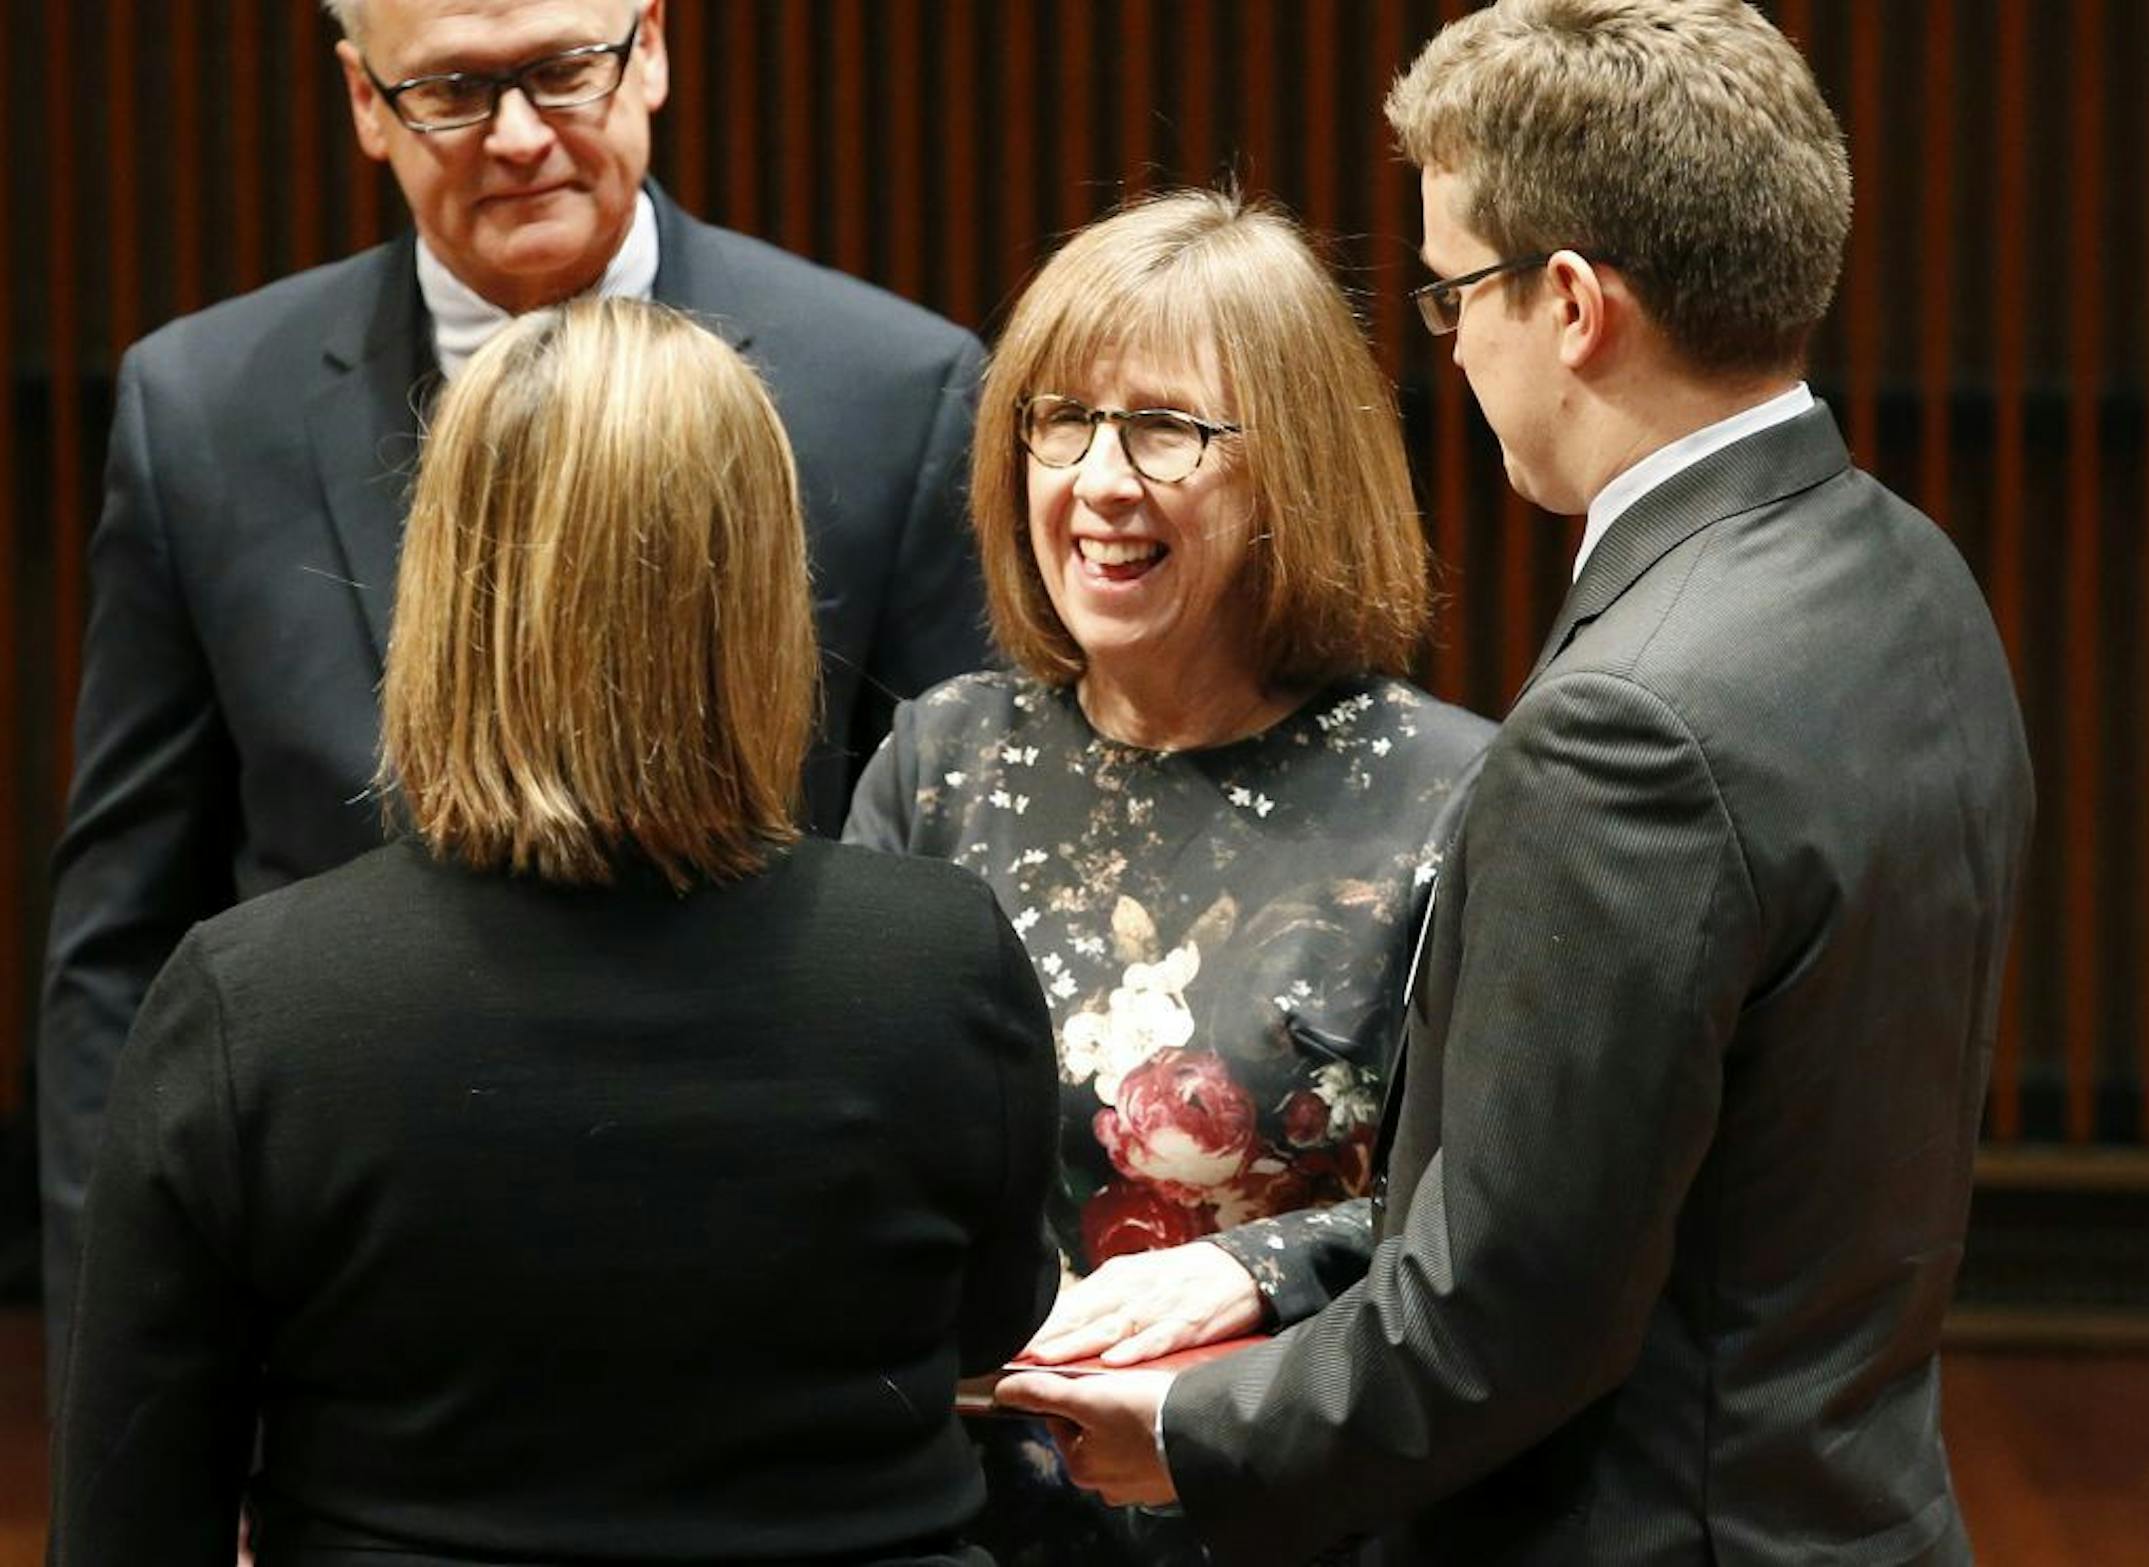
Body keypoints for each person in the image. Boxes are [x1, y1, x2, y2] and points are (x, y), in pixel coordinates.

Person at [998, 4, 2036, 1563]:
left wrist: (1193, 1436)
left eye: (1452, 290)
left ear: (1568, 304)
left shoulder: (1628, 721)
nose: (1452, 340)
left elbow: (1512, 1310)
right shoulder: (1908, 570)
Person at [38, 0, 990, 1401]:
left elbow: (951, 909)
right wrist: (128, 1397)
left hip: (772, 1329)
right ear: (364, 99)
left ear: (650, 46)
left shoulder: (890, 393)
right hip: (342, 1337)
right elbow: (115, 951)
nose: (523, 136)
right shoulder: (199, 409)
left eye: (562, 68)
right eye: (455, 91)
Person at [49, 298, 1058, 1566]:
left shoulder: (253, 1009)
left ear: (443, 586)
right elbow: (988, 1320)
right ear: (763, 592)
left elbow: (129, 1516)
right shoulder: (941, 963)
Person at [845, 189, 1494, 1564]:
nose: (1100, 478)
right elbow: (841, 1139)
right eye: (1061, 418)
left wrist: (1250, 1263)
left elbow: (1499, 1222)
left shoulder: (1458, 795)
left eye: (1166, 427)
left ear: (1294, 469)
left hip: (1284, 1510)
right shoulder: (939, 760)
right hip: (960, 1521)